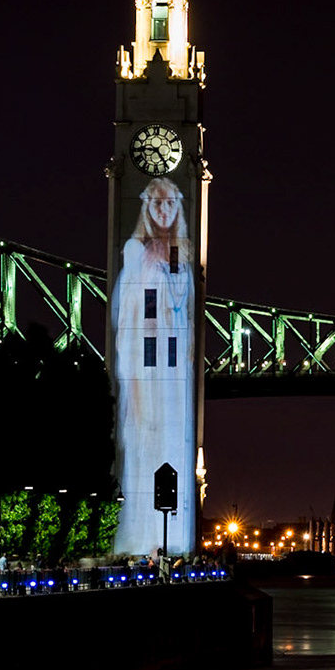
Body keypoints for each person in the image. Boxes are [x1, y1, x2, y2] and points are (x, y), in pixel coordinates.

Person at [112, 176, 197, 556]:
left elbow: (182, 298)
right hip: (144, 361)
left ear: (178, 208)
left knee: (168, 441)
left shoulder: (179, 251)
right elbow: (129, 303)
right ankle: (141, 541)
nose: (164, 211)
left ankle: (169, 542)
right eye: (157, 204)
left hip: (173, 367)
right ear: (146, 207)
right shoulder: (133, 247)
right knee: (143, 437)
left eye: (170, 204)